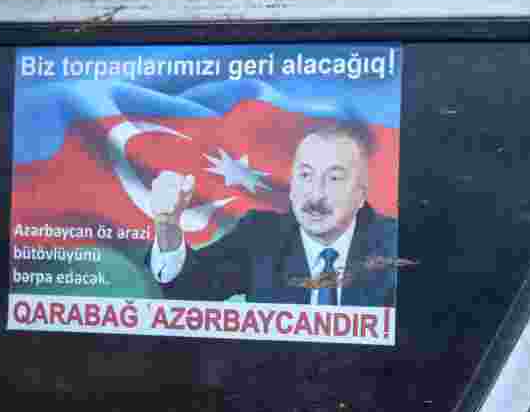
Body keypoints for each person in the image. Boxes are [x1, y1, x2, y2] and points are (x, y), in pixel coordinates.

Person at [148, 119, 397, 307]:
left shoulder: (395, 242)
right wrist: (167, 225)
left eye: (334, 178)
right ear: (291, 186)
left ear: (362, 194)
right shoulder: (260, 236)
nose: (315, 195)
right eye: (305, 176)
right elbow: (188, 291)